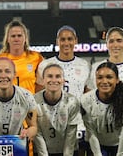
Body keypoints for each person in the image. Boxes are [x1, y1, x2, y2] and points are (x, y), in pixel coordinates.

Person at [87, 27, 123, 155]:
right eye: (112, 41)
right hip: (103, 132)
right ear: (107, 44)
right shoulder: (96, 68)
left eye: (119, 40)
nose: (115, 45)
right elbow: (89, 102)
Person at [36, 25, 91, 155]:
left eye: (70, 39)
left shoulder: (84, 65)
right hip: (51, 125)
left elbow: (88, 97)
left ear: (75, 41)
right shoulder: (45, 65)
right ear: (57, 41)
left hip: (77, 124)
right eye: (63, 39)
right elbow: (38, 97)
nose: (66, 43)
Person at [81, 62, 123, 156]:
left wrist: (121, 154)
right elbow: (91, 131)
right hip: (97, 143)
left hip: (120, 142)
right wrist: (98, 154)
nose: (104, 81)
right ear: (95, 80)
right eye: (100, 77)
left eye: (109, 77)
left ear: (117, 80)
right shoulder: (86, 100)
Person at [34, 64, 81, 156]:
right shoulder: (34, 101)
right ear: (43, 80)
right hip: (42, 151)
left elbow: (71, 134)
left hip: (68, 150)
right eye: (50, 76)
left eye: (58, 76)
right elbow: (37, 133)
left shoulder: (72, 102)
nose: (54, 80)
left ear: (63, 81)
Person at [0, 19, 44, 94]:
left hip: (29, 104)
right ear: (7, 39)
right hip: (5, 104)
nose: (16, 39)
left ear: (25, 38)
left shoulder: (36, 58)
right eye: (13, 36)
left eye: (19, 36)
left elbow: (42, 84)